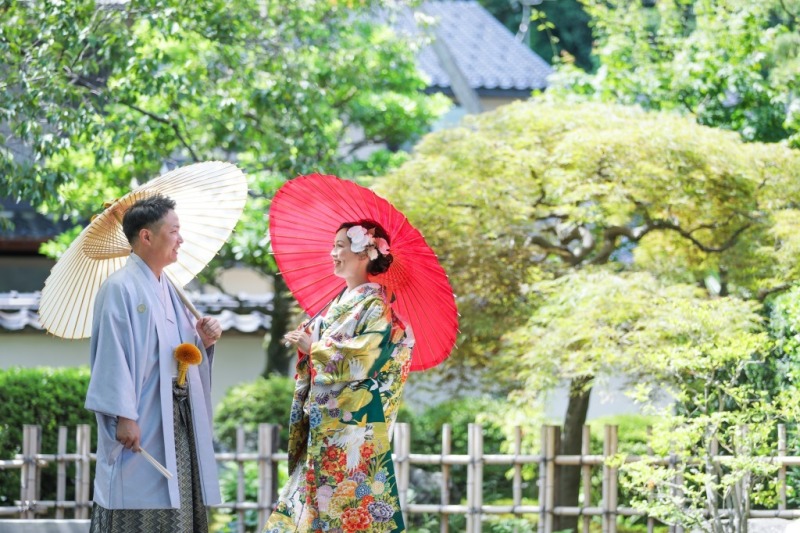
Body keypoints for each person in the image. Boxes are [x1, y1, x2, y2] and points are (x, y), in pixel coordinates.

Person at [263, 220, 415, 533]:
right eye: (334, 246)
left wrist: (315, 348)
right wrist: (310, 343)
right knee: (310, 511)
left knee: (342, 513)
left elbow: (365, 359)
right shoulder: (337, 304)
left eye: (340, 247)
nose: (333, 253)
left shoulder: (376, 307)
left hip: (349, 434)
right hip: (324, 426)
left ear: (365, 254)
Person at [85, 194, 222, 532]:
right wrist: (124, 416)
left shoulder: (170, 290)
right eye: (174, 231)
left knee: (178, 501)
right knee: (138, 498)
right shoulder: (120, 288)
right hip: (142, 420)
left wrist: (201, 342)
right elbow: (112, 357)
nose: (181, 239)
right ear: (146, 236)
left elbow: (179, 356)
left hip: (175, 423)